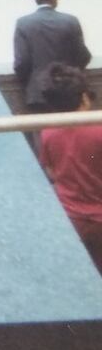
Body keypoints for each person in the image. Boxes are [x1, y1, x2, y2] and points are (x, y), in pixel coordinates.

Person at [38, 63, 102, 275]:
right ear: (84, 97)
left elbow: (51, 172)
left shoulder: (48, 132)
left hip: (71, 217)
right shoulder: (98, 129)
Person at [13, 0, 92, 112]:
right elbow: (83, 56)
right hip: (69, 93)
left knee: (43, 126)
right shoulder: (70, 21)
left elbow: (22, 62)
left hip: (38, 94)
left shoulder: (23, 23)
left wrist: (30, 83)